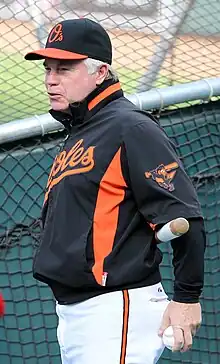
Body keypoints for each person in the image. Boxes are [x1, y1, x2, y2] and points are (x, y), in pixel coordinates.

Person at [24, 18, 206, 364]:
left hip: (116, 308)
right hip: (77, 314)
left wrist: (186, 299)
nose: (50, 79)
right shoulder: (82, 131)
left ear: (100, 71)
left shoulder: (130, 127)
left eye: (64, 69)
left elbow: (186, 217)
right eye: (48, 69)